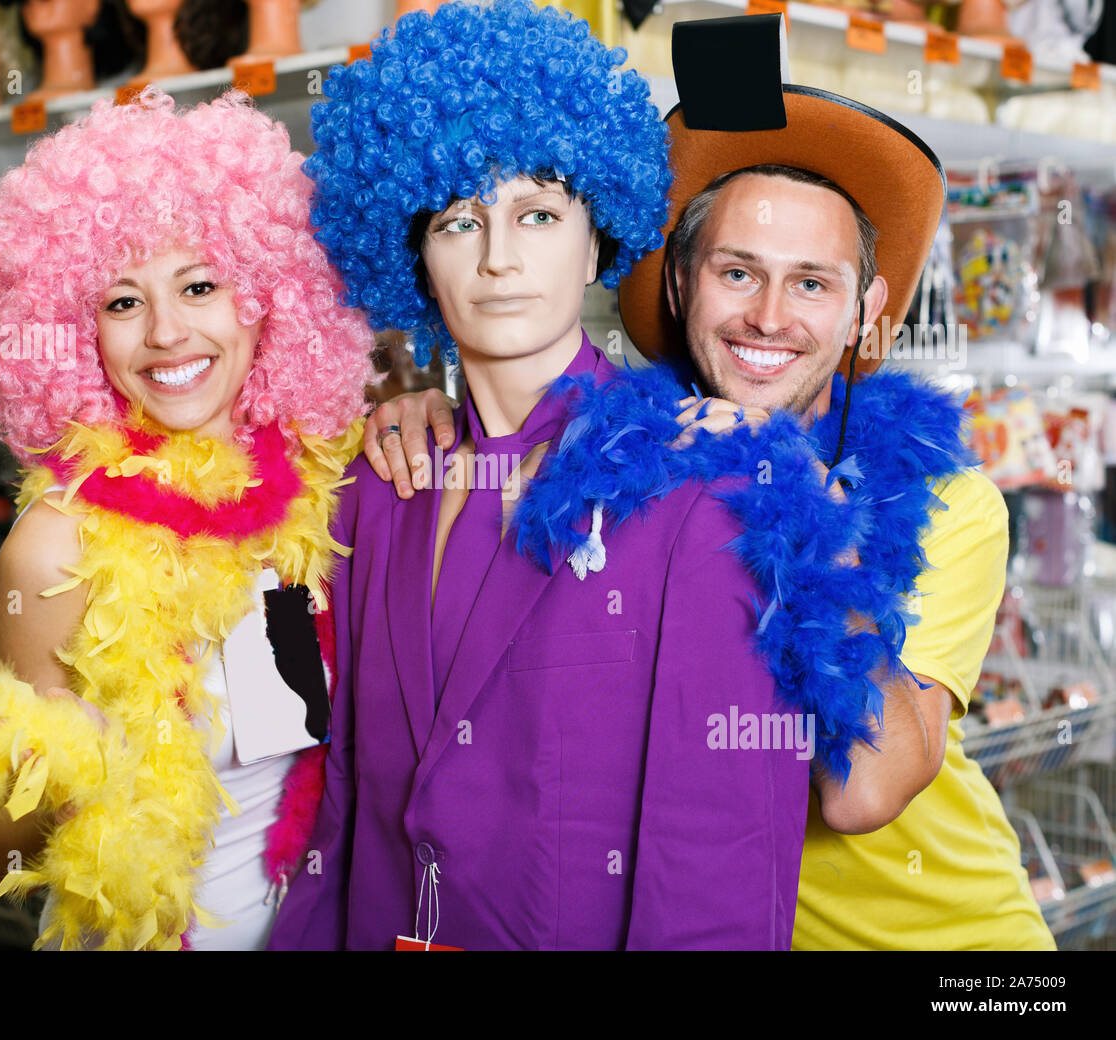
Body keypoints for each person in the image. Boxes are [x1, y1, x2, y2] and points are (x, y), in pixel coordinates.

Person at [370, 14, 1054, 950]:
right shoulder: (638, 459)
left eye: (812, 283)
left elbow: (866, 790)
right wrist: (424, 403)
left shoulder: (947, 503)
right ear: (684, 283)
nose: (769, 317)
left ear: (866, 311)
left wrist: (799, 513)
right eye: (738, 272)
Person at [268, 0, 905, 951]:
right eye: (456, 220)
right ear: (412, 254)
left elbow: (714, 865)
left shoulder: (708, 486)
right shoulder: (373, 482)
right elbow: (346, 800)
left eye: (538, 213)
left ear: (599, 233)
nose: (498, 259)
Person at [0, 88, 375, 951]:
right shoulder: (55, 549)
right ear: (79, 331)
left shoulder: (326, 485)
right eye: (122, 302)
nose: (168, 334)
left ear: (264, 299)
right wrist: (69, 771)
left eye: (200, 285)